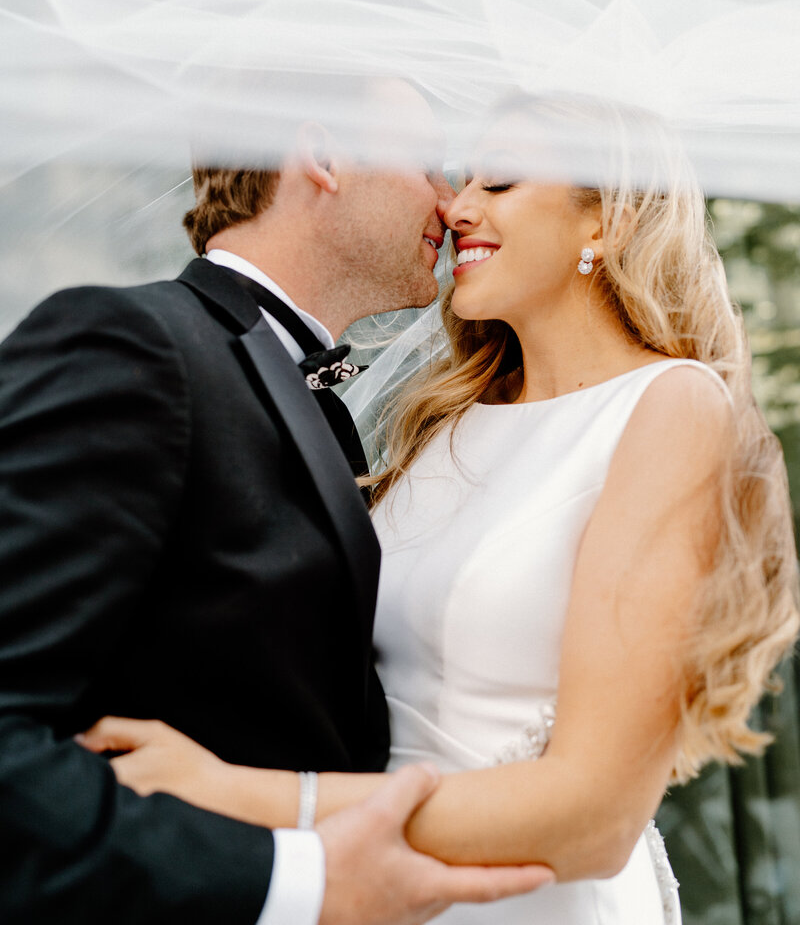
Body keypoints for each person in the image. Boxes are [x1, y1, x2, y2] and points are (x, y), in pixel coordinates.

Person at [81, 93, 800, 924]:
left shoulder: (671, 408)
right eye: (461, 183)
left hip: (536, 902)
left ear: (605, 222)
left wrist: (234, 795)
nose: (455, 208)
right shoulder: (439, 426)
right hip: (380, 894)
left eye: (498, 185)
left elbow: (596, 817)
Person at [0, 86, 554, 924]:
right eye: (427, 164)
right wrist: (297, 880)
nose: (451, 201)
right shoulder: (134, 346)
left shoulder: (315, 403)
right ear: (323, 158)